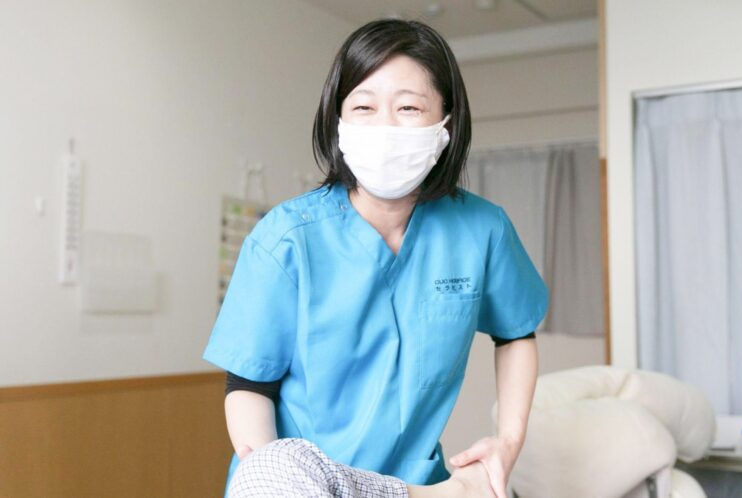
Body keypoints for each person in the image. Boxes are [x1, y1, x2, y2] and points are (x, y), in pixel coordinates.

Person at [203, 18, 548, 498]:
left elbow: (515, 332)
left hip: (416, 486)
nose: (385, 126)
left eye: (408, 107)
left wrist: (508, 441)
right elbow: (249, 385)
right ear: (338, 122)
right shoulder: (287, 238)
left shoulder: (481, 230)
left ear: (446, 125)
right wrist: (277, 478)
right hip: (304, 484)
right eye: (364, 106)